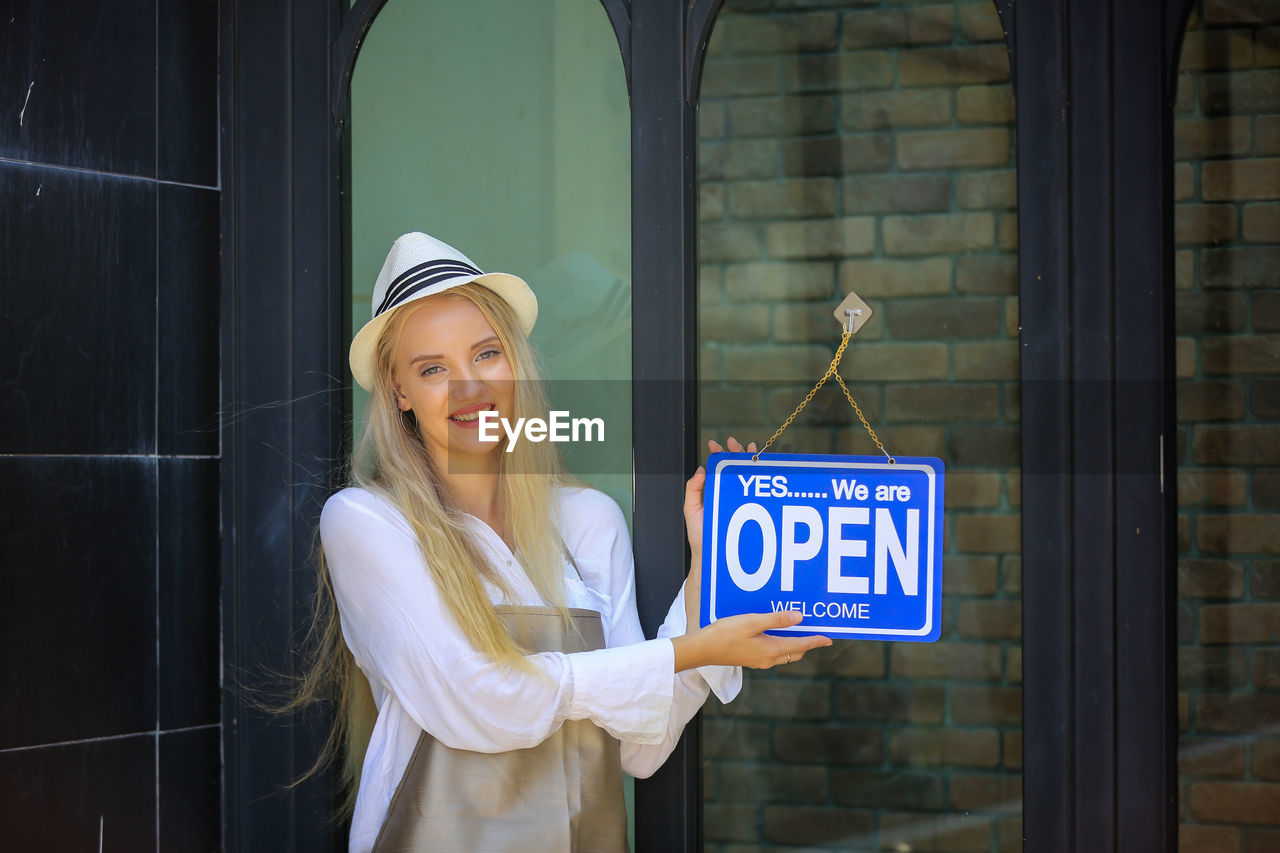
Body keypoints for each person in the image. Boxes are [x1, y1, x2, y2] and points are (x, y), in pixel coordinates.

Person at [311, 232, 830, 852]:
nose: (469, 387)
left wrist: (712, 570)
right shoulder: (367, 522)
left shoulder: (587, 520)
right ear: (398, 393)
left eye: (486, 354)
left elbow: (641, 744)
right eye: (431, 369)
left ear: (517, 363)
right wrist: (688, 652)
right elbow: (473, 700)